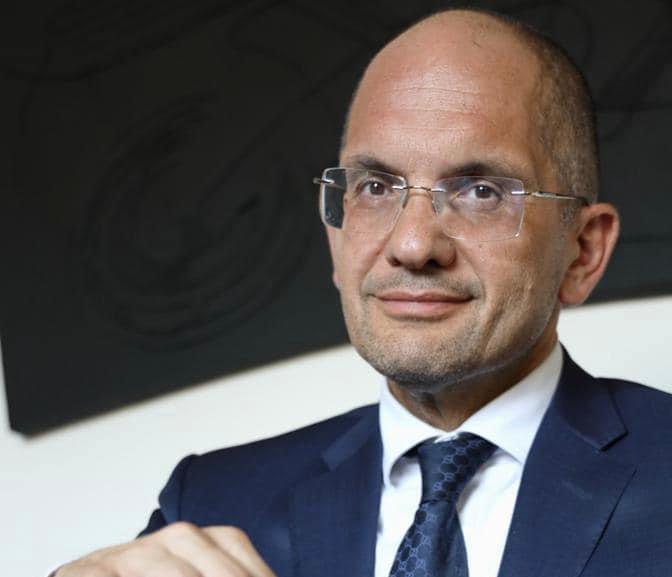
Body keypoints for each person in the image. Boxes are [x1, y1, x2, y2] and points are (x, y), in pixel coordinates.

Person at [54, 8, 672, 577]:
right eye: (375, 188)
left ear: (583, 251)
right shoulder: (213, 502)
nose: (412, 244)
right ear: (336, 234)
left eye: (480, 191)